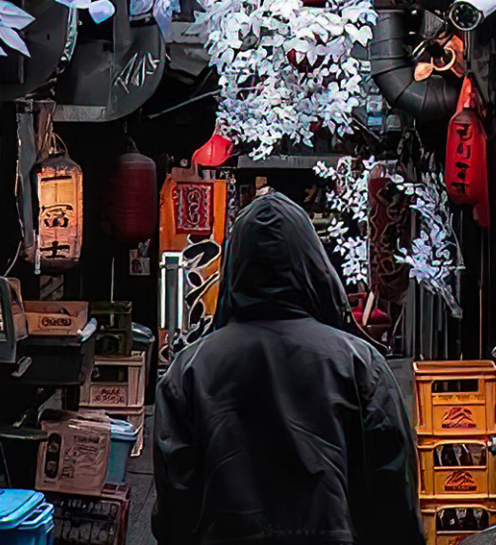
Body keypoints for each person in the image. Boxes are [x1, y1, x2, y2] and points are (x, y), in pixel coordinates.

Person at [153, 192, 423, 545]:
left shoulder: (189, 370)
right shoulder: (359, 363)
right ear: (312, 263)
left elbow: (176, 502)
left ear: (235, 265)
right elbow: (392, 494)